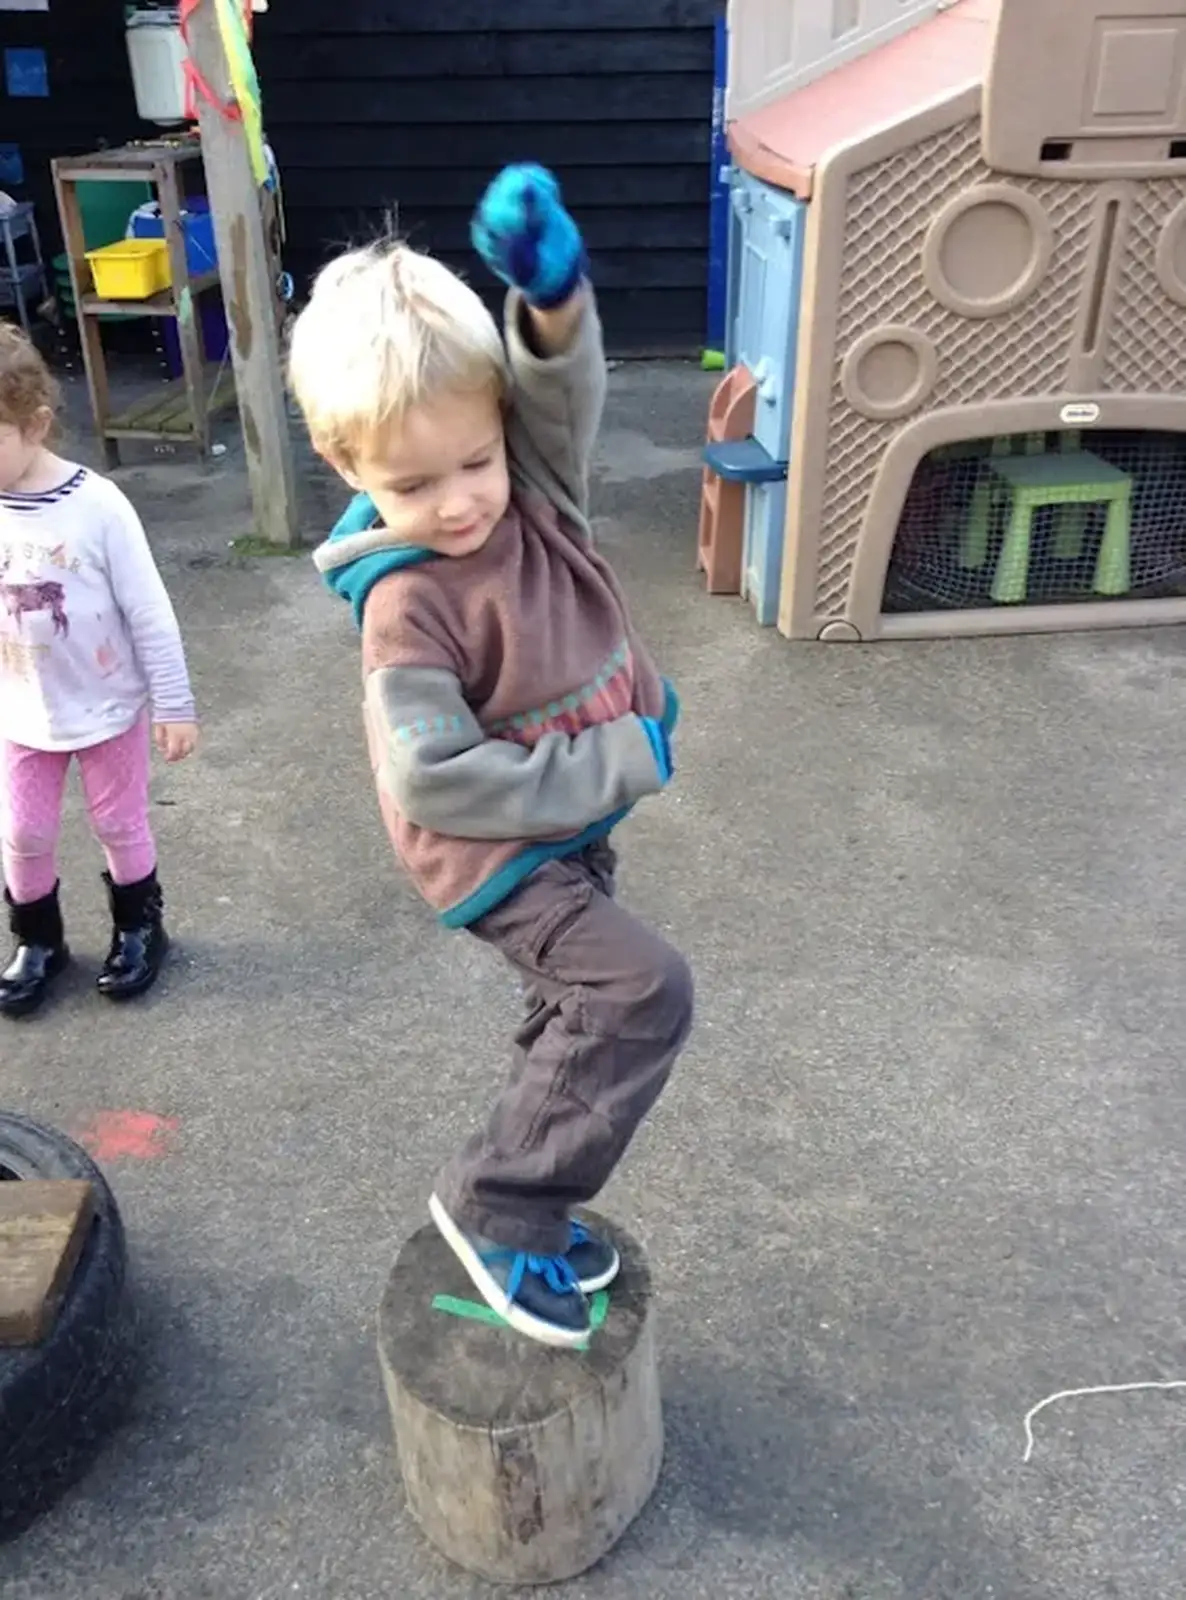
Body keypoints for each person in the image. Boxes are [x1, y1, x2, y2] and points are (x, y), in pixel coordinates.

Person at [288, 164, 694, 1348]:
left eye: (476, 460)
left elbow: (561, 386)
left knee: (578, 1005)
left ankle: (537, 1184)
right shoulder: (402, 607)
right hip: (491, 858)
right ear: (345, 463)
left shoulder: (536, 488)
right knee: (641, 990)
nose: (462, 502)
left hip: (567, 823)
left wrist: (552, 294)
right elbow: (434, 779)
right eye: (413, 483)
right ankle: (500, 1202)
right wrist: (620, 757)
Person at [0, 322, 197, 1017]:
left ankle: (140, 926)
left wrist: (173, 704)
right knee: (22, 831)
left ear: (37, 424)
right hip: (22, 712)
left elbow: (150, 611)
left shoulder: (98, 506)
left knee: (119, 822)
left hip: (108, 704)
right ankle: (37, 939)